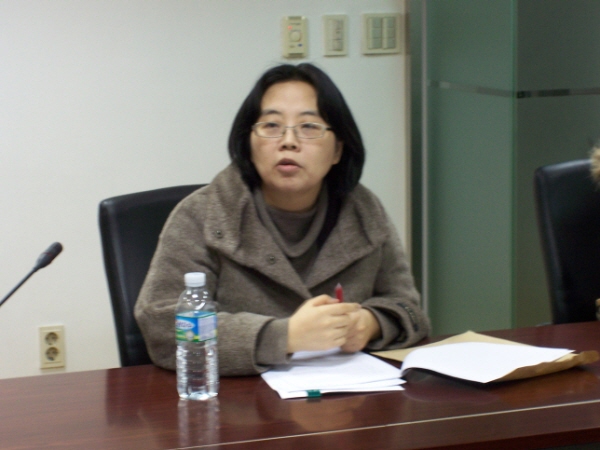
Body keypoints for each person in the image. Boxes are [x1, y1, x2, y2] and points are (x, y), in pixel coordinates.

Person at [135, 63, 430, 376]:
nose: (289, 141)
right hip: (236, 399)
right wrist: (284, 336)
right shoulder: (202, 214)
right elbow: (162, 324)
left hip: (348, 396)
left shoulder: (364, 211)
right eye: (272, 125)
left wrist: (371, 323)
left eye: (309, 126)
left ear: (337, 150)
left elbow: (409, 308)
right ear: (249, 143)